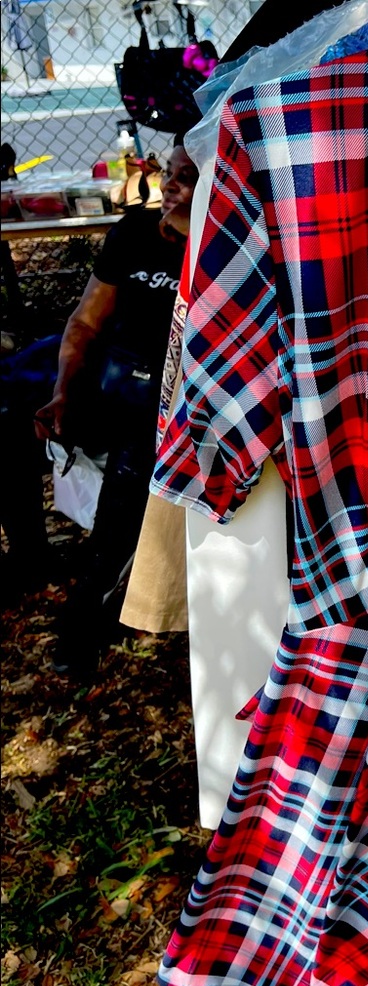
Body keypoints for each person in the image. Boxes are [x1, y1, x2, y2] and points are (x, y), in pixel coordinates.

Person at [31, 139, 199, 674]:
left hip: (180, 408)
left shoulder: (228, 248)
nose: (171, 185)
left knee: (130, 477)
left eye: (188, 176)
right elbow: (85, 322)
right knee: (13, 415)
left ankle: (83, 624)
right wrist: (63, 389)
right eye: (169, 172)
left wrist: (196, 237)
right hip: (120, 388)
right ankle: (39, 565)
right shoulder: (133, 234)